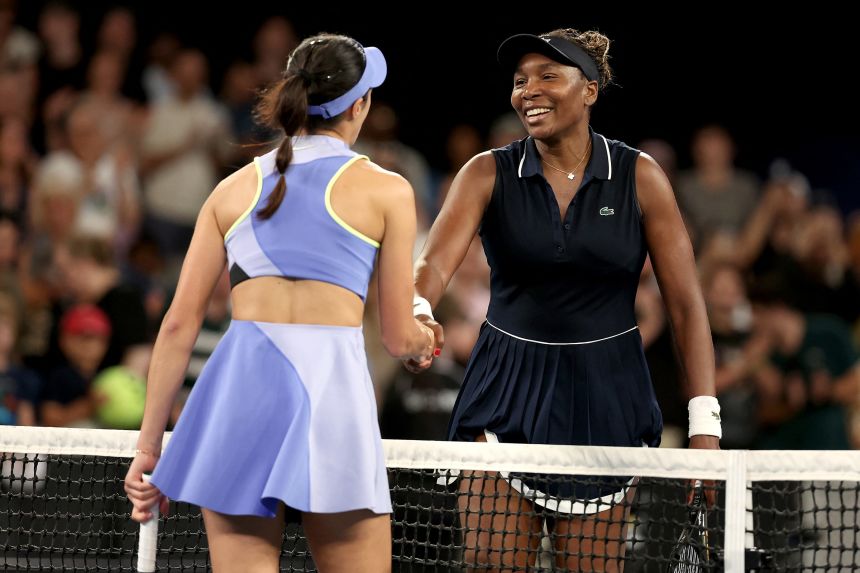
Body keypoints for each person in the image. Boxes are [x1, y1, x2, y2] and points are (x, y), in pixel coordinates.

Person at [124, 33, 437, 573]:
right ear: (359, 105)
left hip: (240, 396)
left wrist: (148, 450)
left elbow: (177, 326)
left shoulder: (231, 190)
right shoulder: (387, 190)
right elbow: (396, 336)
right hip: (331, 397)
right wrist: (424, 339)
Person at [410, 28, 719, 571]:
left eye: (548, 76)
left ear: (590, 90)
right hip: (504, 391)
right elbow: (432, 265)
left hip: (606, 397)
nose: (529, 90)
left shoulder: (640, 177)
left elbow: (687, 306)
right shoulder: (486, 172)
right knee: (489, 563)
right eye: (519, 80)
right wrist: (418, 310)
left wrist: (704, 425)